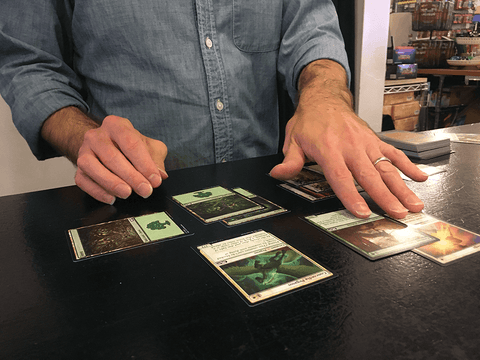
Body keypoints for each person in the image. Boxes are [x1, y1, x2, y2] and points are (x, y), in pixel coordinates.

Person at [0, 0, 427, 219]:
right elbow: (28, 62)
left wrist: (326, 96)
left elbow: (313, 30)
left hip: (275, 202)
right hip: (137, 204)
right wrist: (82, 136)